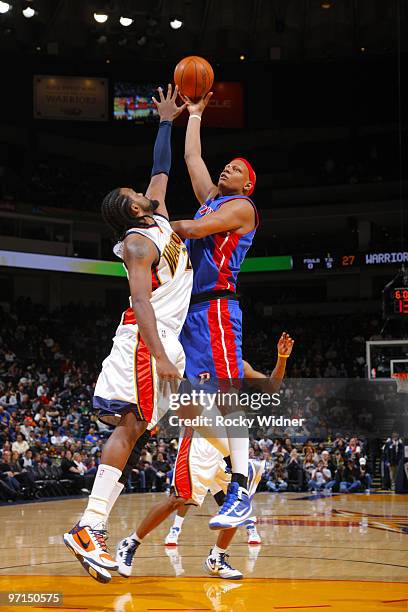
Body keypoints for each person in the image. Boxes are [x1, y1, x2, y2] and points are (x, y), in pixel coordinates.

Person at [63, 84, 192, 580]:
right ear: (132, 210)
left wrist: (165, 122)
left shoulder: (155, 216)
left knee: (134, 430)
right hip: (145, 338)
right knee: (129, 426)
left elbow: (161, 169)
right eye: (134, 194)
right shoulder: (139, 242)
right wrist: (160, 355)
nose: (143, 190)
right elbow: (140, 300)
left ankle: (91, 527)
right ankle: (90, 526)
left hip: (161, 338)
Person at [114, 333, 294, 581]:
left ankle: (217, 557)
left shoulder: (237, 364)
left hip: (228, 441)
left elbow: (272, 386)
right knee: (178, 499)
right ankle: (131, 543)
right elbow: (179, 403)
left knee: (235, 505)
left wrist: (282, 358)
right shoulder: (191, 360)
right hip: (199, 436)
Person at [171, 92, 259, 529]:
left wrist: (151, 228)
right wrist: (196, 114)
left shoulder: (241, 208)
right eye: (228, 165)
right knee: (190, 404)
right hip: (191, 314)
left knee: (227, 398)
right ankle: (235, 468)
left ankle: (241, 488)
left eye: (238, 169)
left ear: (247, 185)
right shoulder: (211, 196)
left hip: (218, 309)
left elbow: (193, 227)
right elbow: (191, 156)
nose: (228, 168)